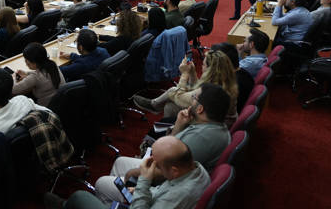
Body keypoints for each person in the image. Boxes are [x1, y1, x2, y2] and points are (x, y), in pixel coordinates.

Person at [89, 104, 218, 208]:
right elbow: (164, 188)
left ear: (173, 170)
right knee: (120, 162)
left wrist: (144, 182)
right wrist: (146, 192)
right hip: (152, 196)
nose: (152, 165)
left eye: (156, 164)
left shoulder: (175, 197)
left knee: (100, 184)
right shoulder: (196, 168)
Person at [134, 49, 238, 125]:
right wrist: (192, 72)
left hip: (208, 126)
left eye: (203, 65)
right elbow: (195, 89)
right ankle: (159, 114)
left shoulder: (210, 90)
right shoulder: (224, 82)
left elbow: (178, 96)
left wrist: (184, 74)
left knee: (171, 100)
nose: (202, 67)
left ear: (210, 70)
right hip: (215, 121)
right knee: (170, 105)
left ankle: (157, 110)